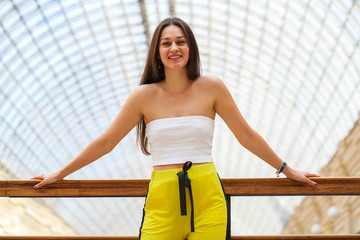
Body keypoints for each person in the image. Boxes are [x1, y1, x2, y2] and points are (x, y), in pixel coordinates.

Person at [31, 17, 320, 240]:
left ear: (190, 47)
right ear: (157, 52)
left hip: (209, 197)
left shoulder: (213, 87)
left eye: (180, 42)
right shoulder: (142, 96)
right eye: (166, 43)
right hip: (163, 200)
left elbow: (246, 135)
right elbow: (106, 142)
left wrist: (287, 169)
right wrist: (60, 174)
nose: (174, 48)